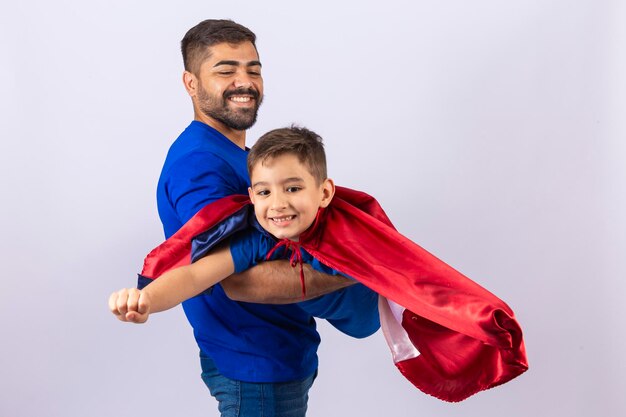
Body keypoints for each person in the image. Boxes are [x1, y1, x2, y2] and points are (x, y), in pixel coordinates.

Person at [111, 126, 529, 404]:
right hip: (273, 358)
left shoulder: (347, 229)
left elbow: (423, 278)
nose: (278, 204)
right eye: (263, 192)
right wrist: (144, 299)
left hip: (371, 313)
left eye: (293, 188)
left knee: (441, 327)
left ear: (325, 193)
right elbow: (194, 274)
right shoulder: (255, 236)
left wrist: (487, 318)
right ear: (249, 196)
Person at [122, 19, 380, 417]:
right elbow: (238, 279)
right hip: (256, 366)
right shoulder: (200, 163)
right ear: (191, 83)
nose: (244, 82)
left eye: (253, 69)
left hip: (273, 357)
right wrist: (362, 267)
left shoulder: (246, 157)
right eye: (225, 70)